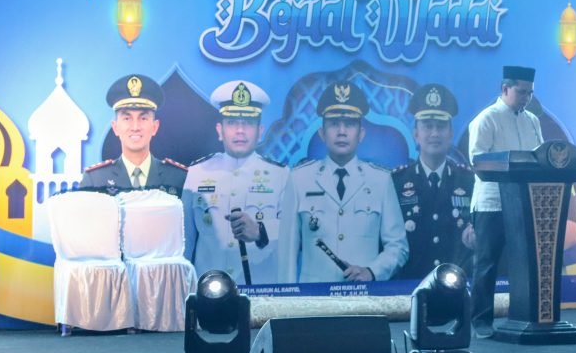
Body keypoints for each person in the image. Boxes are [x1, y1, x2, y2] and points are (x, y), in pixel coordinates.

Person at [283, 81, 408, 283]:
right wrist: (286, 298)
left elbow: (398, 246)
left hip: (363, 296)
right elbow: (287, 253)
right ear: (322, 133)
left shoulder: (380, 180)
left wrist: (372, 272)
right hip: (313, 297)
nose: (342, 131)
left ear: (361, 134)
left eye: (349, 124)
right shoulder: (299, 179)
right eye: (334, 124)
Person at [182, 80, 294, 285]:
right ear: (220, 130)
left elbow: (293, 234)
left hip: (262, 290)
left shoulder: (281, 175)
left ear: (260, 131)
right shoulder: (197, 173)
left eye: (248, 123)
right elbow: (185, 242)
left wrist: (261, 231)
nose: (240, 130)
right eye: (232, 122)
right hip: (208, 291)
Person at [467, 65, 543, 337]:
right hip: (492, 204)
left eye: (530, 93)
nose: (526, 98)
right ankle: (480, 321)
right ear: (505, 89)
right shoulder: (486, 119)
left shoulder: (532, 121)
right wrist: (510, 168)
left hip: (524, 204)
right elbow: (477, 160)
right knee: (487, 264)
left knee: (524, 264)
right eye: (521, 92)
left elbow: (539, 159)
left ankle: (521, 317)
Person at [391, 83, 475, 280]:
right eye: (428, 126)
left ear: (451, 133)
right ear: (416, 134)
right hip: (409, 287)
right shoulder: (396, 182)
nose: (435, 133)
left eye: (441, 126)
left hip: (458, 285)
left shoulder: (469, 180)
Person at [80, 74, 187, 194]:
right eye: (127, 118)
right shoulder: (95, 180)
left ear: (155, 127)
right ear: (115, 127)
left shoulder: (179, 178)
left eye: (143, 118)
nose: (135, 127)